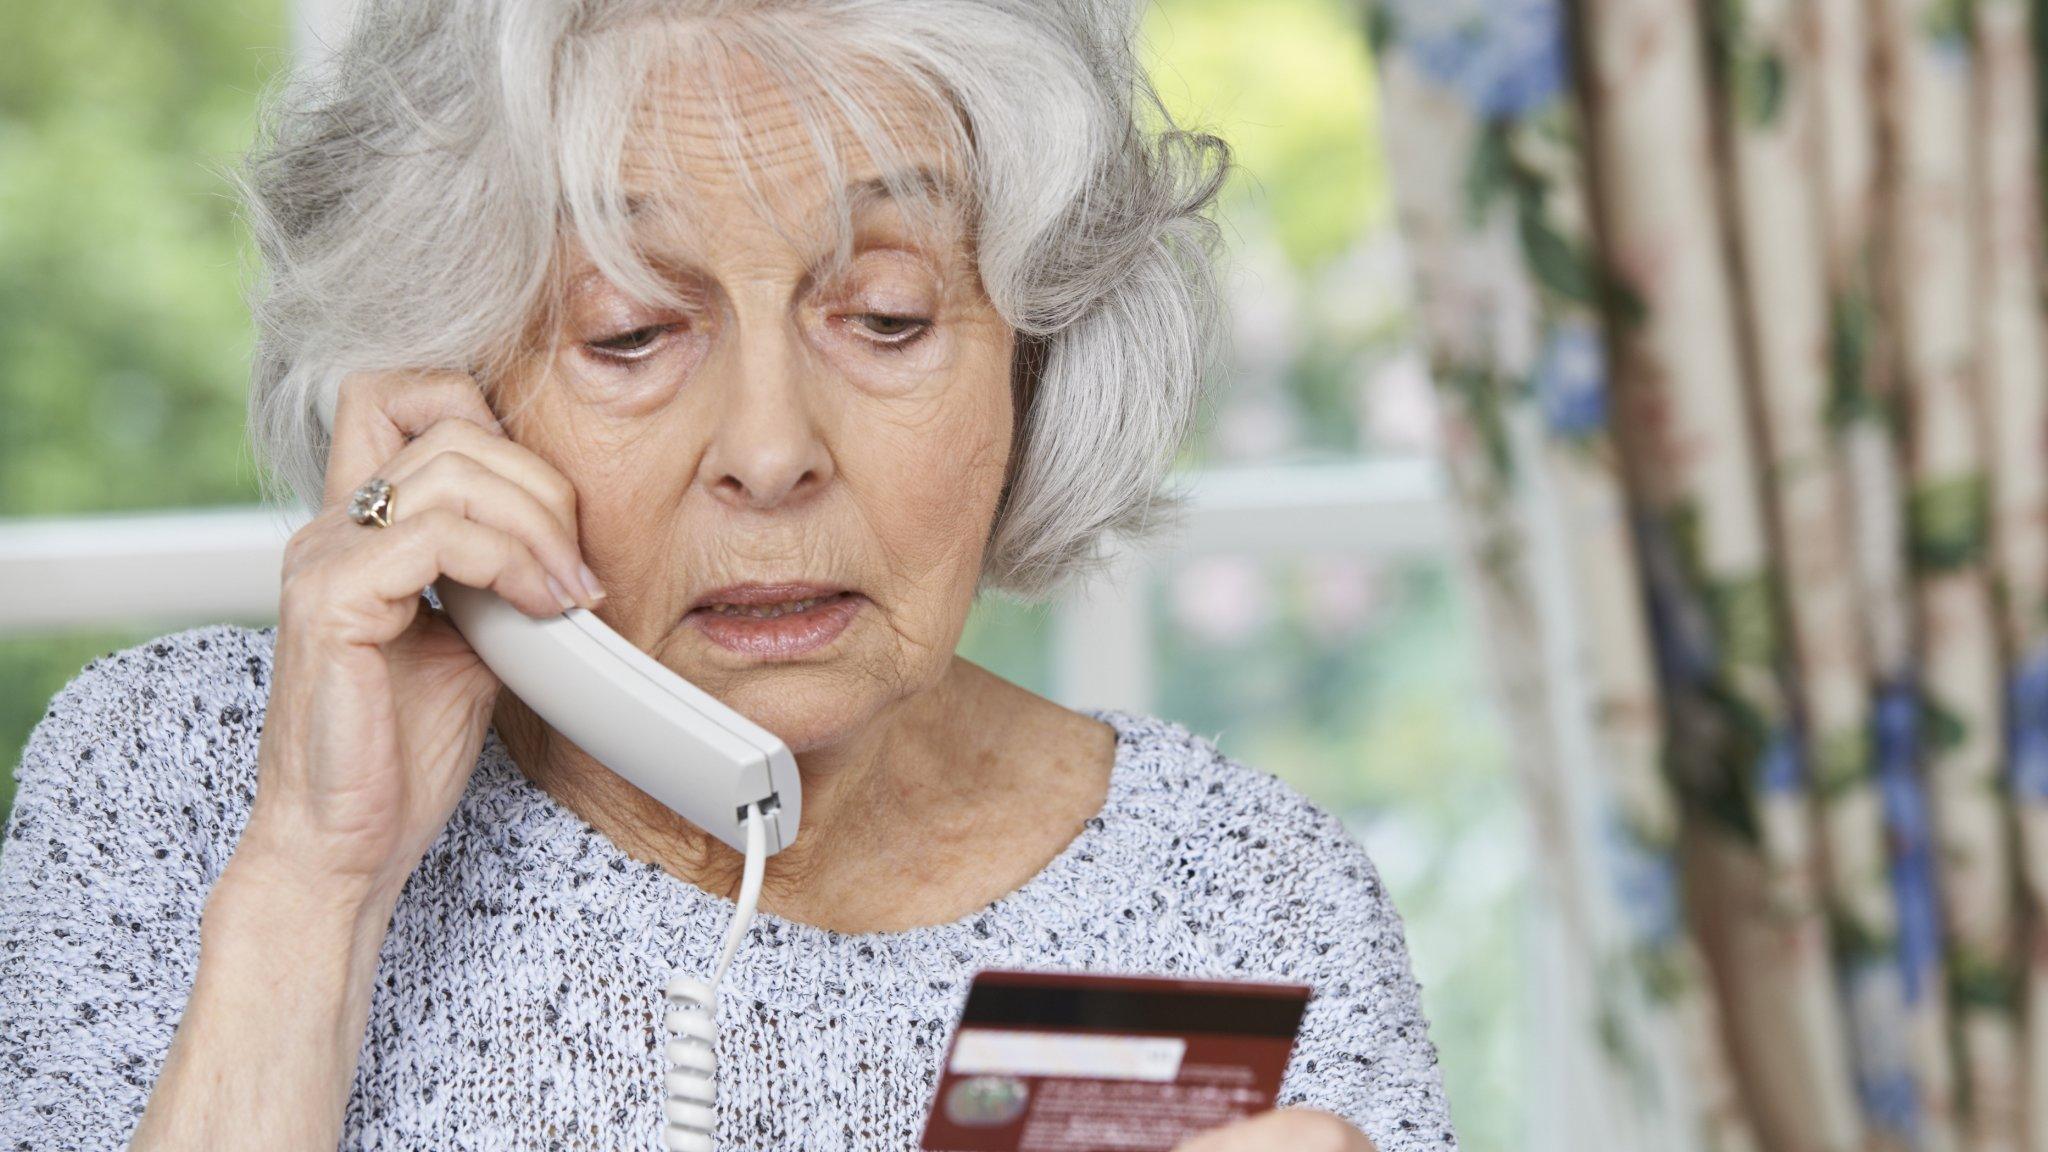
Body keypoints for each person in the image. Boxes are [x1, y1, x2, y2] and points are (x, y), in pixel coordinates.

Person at [0, 2, 1455, 1149]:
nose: (769, 452)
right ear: (445, 390)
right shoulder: (178, 784)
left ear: (1033, 356)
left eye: (886, 318)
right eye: (630, 334)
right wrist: (316, 882)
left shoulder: (1246, 901)